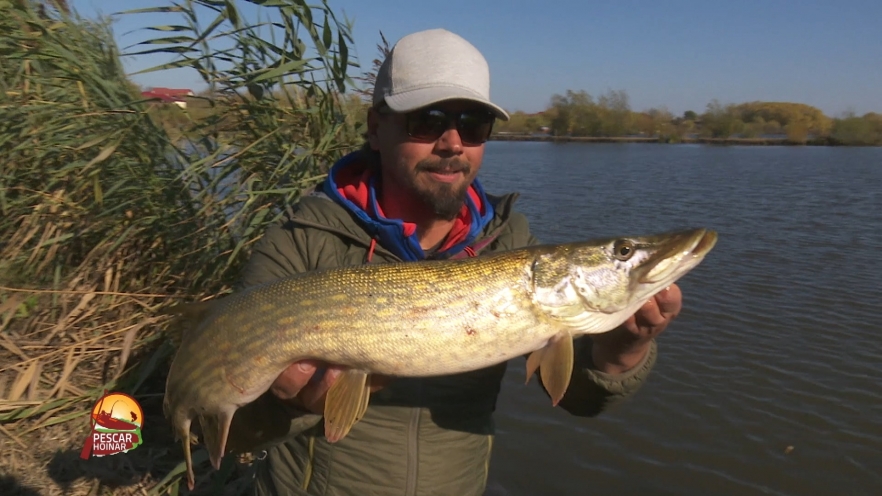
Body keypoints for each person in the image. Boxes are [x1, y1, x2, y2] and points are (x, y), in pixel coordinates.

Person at [233, 28, 683, 496]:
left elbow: (579, 400)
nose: (452, 143)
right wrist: (293, 404)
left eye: (472, 125)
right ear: (376, 128)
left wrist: (623, 348)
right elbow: (232, 425)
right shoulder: (301, 240)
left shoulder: (509, 243)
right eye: (426, 121)